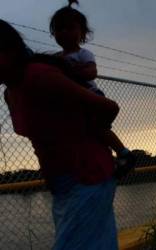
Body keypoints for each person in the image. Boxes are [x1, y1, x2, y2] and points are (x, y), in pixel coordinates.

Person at [0, 19, 119, 249]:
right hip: (61, 183)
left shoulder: (38, 76)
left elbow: (108, 107)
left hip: (87, 175)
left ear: (9, 50)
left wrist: (86, 133)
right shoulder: (11, 92)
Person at [49, 0, 135, 177]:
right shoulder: (56, 57)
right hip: (74, 100)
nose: (64, 32)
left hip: (91, 96)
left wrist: (73, 71)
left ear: (82, 33)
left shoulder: (83, 54)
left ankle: (124, 153)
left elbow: (92, 72)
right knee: (84, 131)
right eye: (59, 29)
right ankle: (106, 156)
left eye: (70, 28)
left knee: (98, 129)